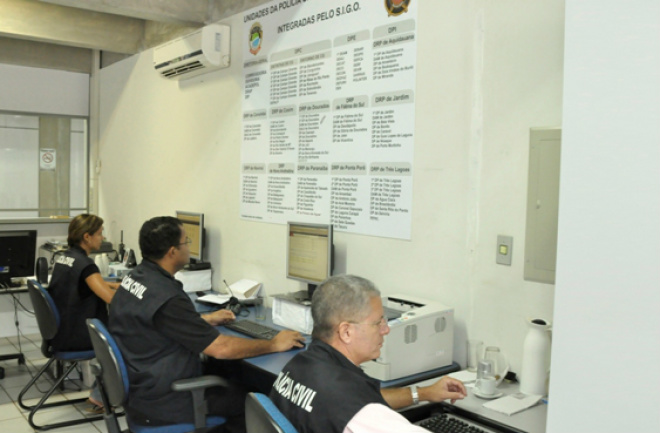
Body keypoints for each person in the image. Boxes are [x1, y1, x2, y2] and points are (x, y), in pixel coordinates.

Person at [108, 216, 304, 432]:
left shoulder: (135, 278)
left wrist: (203, 319)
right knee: (255, 401)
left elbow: (155, 321)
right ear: (172, 251)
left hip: (143, 390)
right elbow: (221, 348)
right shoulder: (167, 296)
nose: (189, 247)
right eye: (186, 242)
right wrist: (274, 344)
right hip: (166, 401)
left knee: (226, 376)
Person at [270, 274, 467, 433]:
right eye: (378, 322)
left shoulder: (298, 366)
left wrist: (424, 393)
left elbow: (358, 400)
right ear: (346, 332)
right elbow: (359, 408)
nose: (386, 330)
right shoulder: (358, 410)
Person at [47, 214, 120, 410]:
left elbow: (86, 284)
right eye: (99, 233)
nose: (102, 238)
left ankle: (102, 394)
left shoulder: (65, 257)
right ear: (87, 237)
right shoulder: (87, 265)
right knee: (127, 338)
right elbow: (111, 299)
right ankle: (100, 395)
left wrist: (113, 284)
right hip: (80, 336)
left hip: (61, 331)